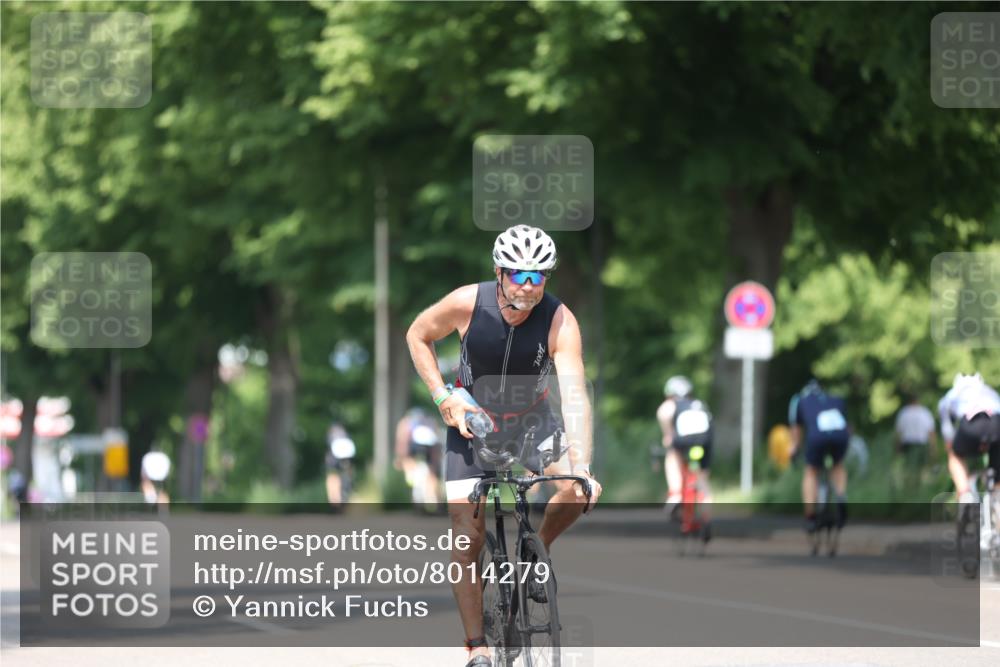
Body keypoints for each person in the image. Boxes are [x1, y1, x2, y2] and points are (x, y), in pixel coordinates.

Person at [406, 224, 602, 667]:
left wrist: (583, 464)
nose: (528, 287)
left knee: (576, 491)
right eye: (519, 275)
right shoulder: (466, 303)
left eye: (538, 276)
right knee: (465, 537)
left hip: (533, 422)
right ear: (499, 271)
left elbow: (574, 396)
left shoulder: (560, 321)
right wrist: (442, 397)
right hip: (473, 422)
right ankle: (477, 646)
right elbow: (417, 334)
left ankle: (540, 550)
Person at [788, 379, 850, 533]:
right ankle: (841, 496)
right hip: (841, 435)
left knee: (811, 471)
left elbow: (796, 428)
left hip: (817, 436)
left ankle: (810, 516)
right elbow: (846, 423)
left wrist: (795, 448)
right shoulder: (834, 398)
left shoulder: (798, 399)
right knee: (838, 465)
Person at [656, 376, 714, 529]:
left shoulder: (671, 404)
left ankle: (675, 495)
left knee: (672, 456)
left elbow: (663, 414)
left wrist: (668, 435)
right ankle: (706, 519)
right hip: (705, 440)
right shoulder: (698, 404)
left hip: (683, 439)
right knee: (702, 480)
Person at [937, 373, 1000, 504]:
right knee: (997, 470)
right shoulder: (990, 392)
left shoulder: (952, 394)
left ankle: (965, 493)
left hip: (970, 423)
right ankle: (997, 499)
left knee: (955, 456)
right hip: (996, 423)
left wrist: (950, 443)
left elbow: (946, 426)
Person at [395, 407, 443, 509]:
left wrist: (400, 460)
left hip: (415, 446)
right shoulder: (430, 422)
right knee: (432, 473)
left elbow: (402, 442)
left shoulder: (406, 423)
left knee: (408, 461)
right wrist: (435, 466)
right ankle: (435, 499)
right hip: (430, 447)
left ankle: (411, 475)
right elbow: (436, 446)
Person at [894, 393, 937, 487]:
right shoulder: (925, 413)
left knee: (908, 468)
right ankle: (918, 487)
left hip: (907, 444)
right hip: (921, 444)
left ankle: (909, 486)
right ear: (918, 400)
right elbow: (931, 433)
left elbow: (898, 433)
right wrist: (933, 448)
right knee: (921, 469)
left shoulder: (903, 413)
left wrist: (897, 447)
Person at [325, 423, 356, 507]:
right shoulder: (345, 435)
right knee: (346, 474)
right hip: (344, 459)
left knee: (333, 477)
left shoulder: (332, 435)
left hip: (335, 461)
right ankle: (344, 493)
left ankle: (335, 498)